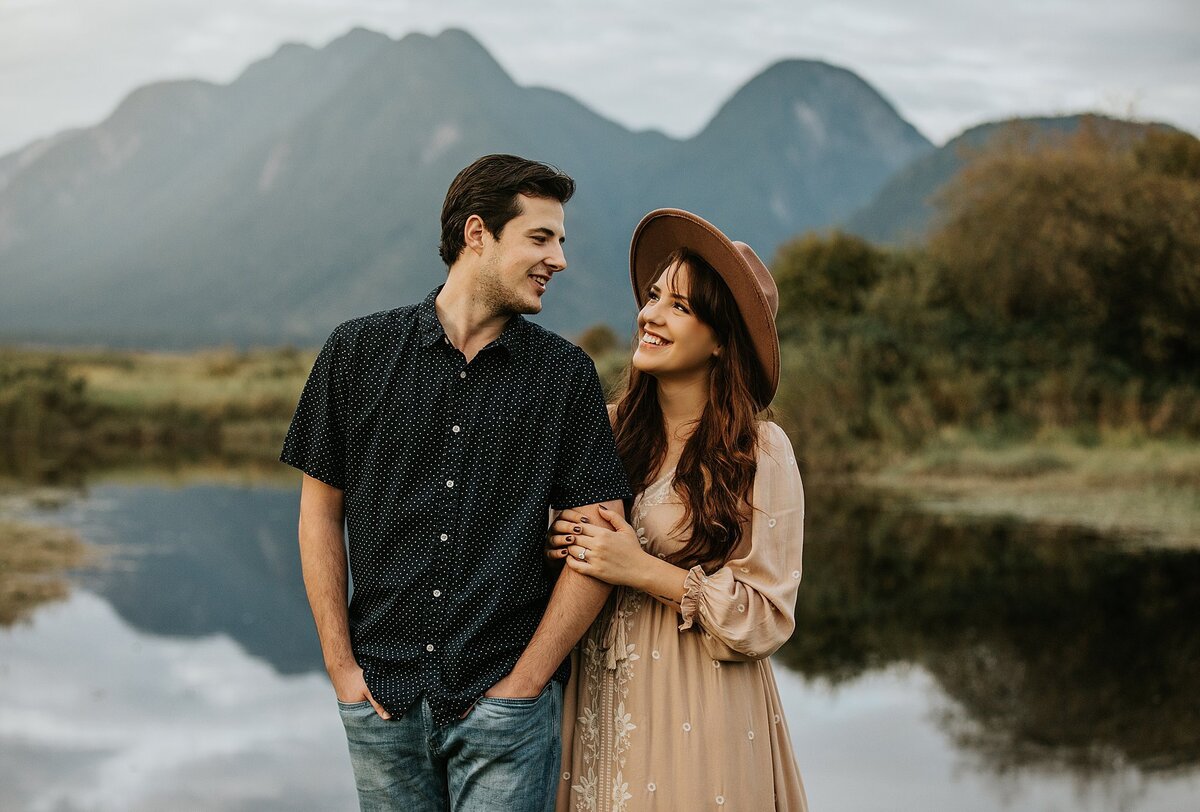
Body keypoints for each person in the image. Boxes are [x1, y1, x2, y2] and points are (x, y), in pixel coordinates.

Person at [280, 154, 633, 812]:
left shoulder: (564, 377)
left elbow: (601, 538)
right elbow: (319, 514)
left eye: (560, 241)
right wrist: (340, 667)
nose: (559, 259)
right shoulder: (355, 353)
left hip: (506, 712)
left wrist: (526, 684)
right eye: (540, 237)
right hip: (381, 701)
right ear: (478, 234)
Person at [549, 209, 809, 810]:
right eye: (653, 296)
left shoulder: (760, 450)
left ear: (722, 339)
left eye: (679, 307)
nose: (650, 315)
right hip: (594, 696)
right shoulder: (606, 430)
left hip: (701, 701)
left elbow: (767, 618)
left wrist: (640, 568)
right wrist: (558, 539)